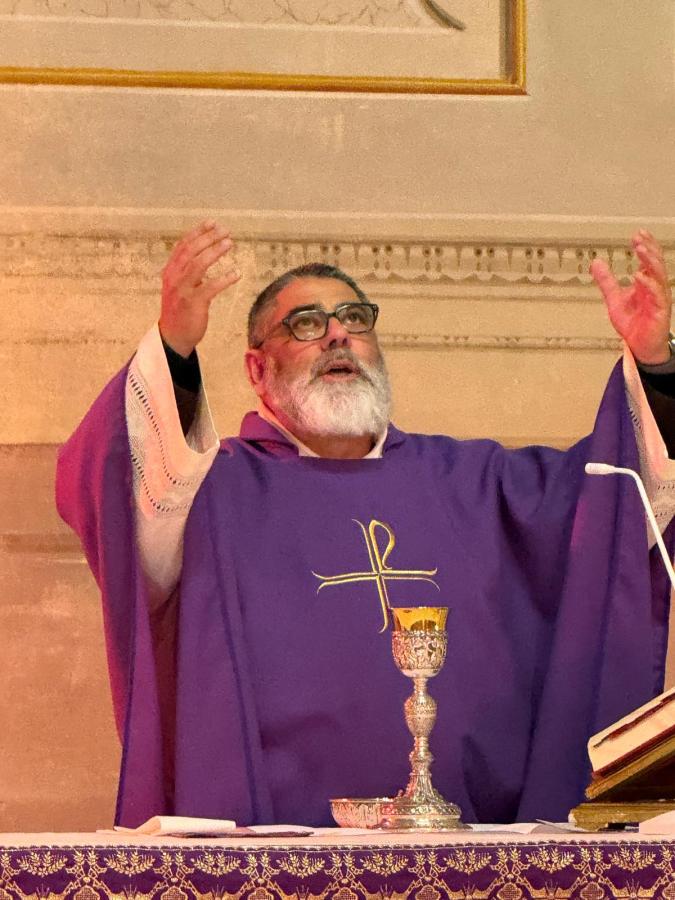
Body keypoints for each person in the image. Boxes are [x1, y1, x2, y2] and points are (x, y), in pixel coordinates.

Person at [57, 222, 675, 828]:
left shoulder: (473, 480)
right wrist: (173, 350)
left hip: (468, 852)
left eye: (356, 320)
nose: (337, 337)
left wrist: (654, 366)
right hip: (266, 853)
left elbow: (613, 511)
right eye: (305, 325)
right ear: (255, 369)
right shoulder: (211, 490)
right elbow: (116, 490)